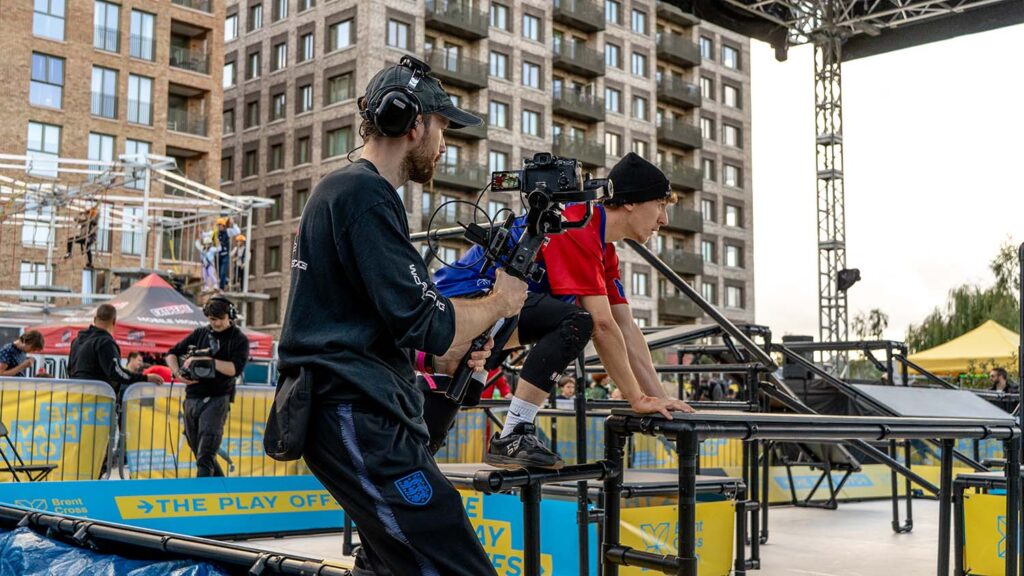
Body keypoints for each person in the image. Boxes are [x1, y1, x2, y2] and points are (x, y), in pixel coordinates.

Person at [276, 56, 526, 576]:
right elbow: (426, 321)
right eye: (442, 127)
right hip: (354, 411)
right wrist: (500, 302)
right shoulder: (364, 195)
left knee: (394, 561)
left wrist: (446, 352)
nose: (444, 143)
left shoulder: (349, 191)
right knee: (448, 557)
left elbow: (392, 322)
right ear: (412, 123)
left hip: (356, 409)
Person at [433, 152, 694, 469]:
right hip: (456, 310)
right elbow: (602, 325)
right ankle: (515, 432)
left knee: (427, 438)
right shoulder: (575, 224)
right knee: (576, 322)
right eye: (661, 205)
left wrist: (657, 399)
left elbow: (626, 327)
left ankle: (510, 434)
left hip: (491, 319)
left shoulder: (603, 248)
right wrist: (636, 399)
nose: (664, 219)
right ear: (630, 202)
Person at [166, 296, 249, 477]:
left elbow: (234, 369)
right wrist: (178, 373)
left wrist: (207, 361)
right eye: (212, 319)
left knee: (206, 450)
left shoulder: (239, 339)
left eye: (220, 318)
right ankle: (220, 485)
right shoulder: (200, 333)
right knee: (197, 447)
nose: (216, 323)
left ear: (230, 315)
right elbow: (171, 354)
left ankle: (202, 488)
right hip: (192, 396)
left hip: (218, 397)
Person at [68, 304, 164, 398]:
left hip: (74, 397)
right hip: (96, 399)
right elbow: (116, 372)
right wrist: (145, 378)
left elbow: (70, 369)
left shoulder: (76, 341)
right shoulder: (105, 342)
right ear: (114, 322)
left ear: (94, 319)